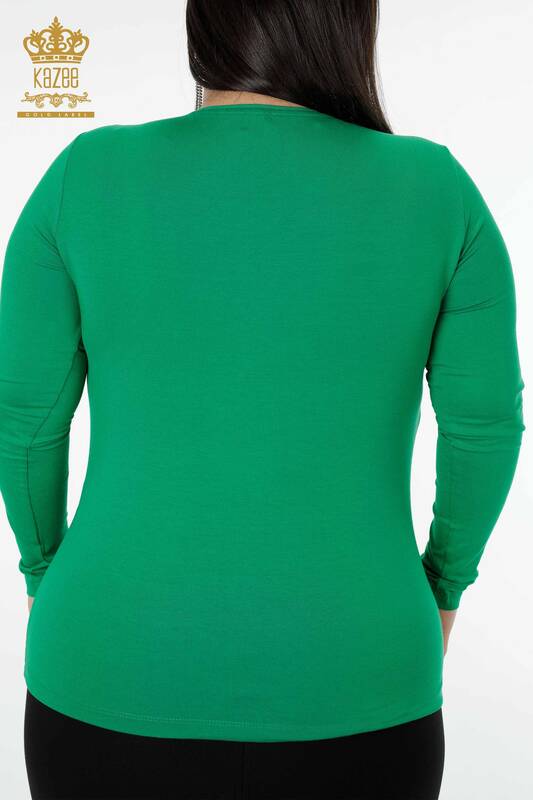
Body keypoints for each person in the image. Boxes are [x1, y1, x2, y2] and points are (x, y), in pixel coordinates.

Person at [0, 1, 525, 798]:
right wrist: (442, 590)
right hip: (361, 667)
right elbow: (483, 426)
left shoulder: (87, 174)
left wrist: (48, 576)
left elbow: (24, 421)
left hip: (108, 660)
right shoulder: (434, 189)